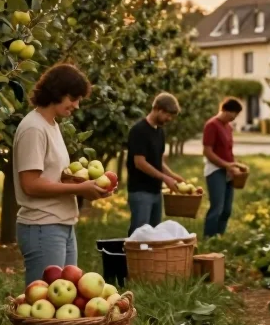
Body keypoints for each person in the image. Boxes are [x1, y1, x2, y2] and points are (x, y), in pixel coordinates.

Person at [12, 62, 110, 288]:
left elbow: (51, 175)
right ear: (57, 92)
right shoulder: (33, 128)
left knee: (65, 301)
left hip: (61, 224)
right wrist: (80, 189)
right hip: (42, 226)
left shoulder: (51, 125)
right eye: (73, 98)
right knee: (45, 305)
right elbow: (31, 184)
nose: (76, 105)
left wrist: (84, 182)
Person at [126, 92, 184, 233]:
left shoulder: (160, 132)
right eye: (167, 115)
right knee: (139, 234)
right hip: (140, 191)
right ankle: (130, 256)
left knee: (153, 235)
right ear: (157, 109)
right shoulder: (139, 130)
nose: (169, 119)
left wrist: (172, 175)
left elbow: (157, 161)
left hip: (155, 191)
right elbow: (140, 162)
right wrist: (165, 178)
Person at [202, 97, 245, 239]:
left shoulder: (228, 127)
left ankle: (219, 236)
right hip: (215, 171)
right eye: (235, 114)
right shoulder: (212, 125)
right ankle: (209, 237)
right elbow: (207, 152)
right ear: (226, 110)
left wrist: (236, 164)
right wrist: (227, 165)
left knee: (227, 209)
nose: (235, 118)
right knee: (217, 207)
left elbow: (227, 150)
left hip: (227, 171)